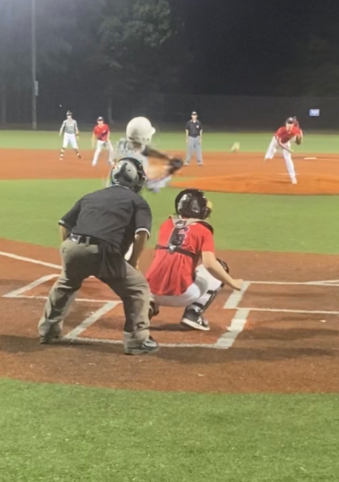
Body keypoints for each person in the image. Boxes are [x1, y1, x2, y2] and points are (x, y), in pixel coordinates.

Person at [39, 158, 159, 355]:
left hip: (72, 246)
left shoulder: (91, 196)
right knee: (138, 289)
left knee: (66, 283)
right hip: (104, 252)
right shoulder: (137, 201)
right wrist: (133, 262)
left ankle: (48, 331)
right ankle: (137, 341)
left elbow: (64, 224)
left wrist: (71, 251)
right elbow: (141, 233)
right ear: (136, 180)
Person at [145, 189, 244, 331]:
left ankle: (149, 306)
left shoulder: (165, 225)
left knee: (165, 263)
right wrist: (232, 282)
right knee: (219, 266)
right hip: (182, 295)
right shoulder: (203, 230)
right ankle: (193, 314)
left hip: (149, 292)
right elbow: (209, 264)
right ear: (196, 208)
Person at [112, 116, 184, 193]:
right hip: (125, 197)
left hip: (111, 191)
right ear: (145, 138)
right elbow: (152, 186)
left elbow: (146, 150)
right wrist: (169, 171)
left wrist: (167, 158)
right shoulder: (139, 161)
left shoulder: (122, 144)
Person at [264, 117, 304, 184]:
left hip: (286, 143)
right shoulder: (281, 130)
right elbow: (279, 143)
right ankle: (270, 155)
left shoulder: (295, 130)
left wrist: (300, 138)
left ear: (293, 125)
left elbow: (300, 132)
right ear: (286, 124)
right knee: (268, 157)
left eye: (291, 123)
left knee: (288, 158)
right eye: (288, 123)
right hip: (275, 142)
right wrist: (288, 149)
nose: (290, 125)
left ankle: (293, 177)